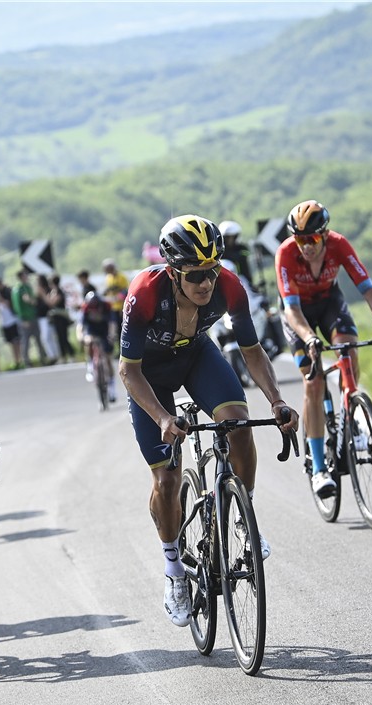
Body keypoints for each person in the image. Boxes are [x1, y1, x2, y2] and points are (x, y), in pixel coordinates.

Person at [117, 215, 297, 627]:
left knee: (240, 427)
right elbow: (128, 371)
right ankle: (174, 570)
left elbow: (252, 351)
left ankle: (242, 516)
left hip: (196, 358)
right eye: (196, 274)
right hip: (149, 377)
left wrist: (276, 400)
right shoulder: (144, 292)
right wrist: (163, 417)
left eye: (212, 270)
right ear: (172, 271)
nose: (206, 283)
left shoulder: (229, 285)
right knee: (166, 480)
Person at [275, 199, 372, 498]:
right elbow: (291, 309)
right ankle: (319, 468)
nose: (306, 246)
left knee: (348, 350)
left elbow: (368, 288)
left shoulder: (339, 245)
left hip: (328, 303)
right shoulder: (286, 253)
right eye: (300, 240)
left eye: (312, 239)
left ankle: (351, 414)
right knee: (314, 382)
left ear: (325, 235)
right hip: (298, 313)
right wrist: (309, 338)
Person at [79, 286, 117, 402]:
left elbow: (112, 324)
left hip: (104, 331)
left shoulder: (106, 306)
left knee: (108, 358)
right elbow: (80, 326)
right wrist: (81, 336)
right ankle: (90, 364)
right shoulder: (85, 308)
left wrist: (112, 335)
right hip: (92, 331)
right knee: (88, 342)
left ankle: (112, 387)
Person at [11, 269, 43, 367]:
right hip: (25, 318)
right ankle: (26, 361)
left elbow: (33, 301)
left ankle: (42, 358)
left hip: (32, 316)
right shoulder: (18, 289)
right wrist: (23, 319)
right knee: (26, 340)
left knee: (38, 338)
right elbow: (18, 306)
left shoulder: (27, 287)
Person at [0, 278, 23, 369]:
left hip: (12, 319)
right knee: (11, 342)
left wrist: (0, 298)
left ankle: (20, 360)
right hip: (4, 321)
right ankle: (15, 360)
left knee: (17, 341)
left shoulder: (8, 291)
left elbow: (9, 304)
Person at [47, 274, 76, 363]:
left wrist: (45, 297)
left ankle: (71, 354)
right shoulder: (54, 291)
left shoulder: (58, 291)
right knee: (59, 337)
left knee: (64, 337)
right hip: (57, 318)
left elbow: (52, 303)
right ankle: (63, 356)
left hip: (61, 318)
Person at [102, 259, 129, 353]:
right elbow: (107, 291)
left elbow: (126, 291)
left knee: (123, 329)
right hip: (113, 307)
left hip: (122, 307)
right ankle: (118, 350)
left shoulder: (121, 277)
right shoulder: (108, 278)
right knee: (115, 330)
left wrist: (119, 297)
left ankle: (124, 349)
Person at [218, 220, 255, 287]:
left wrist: (250, 283)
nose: (229, 240)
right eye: (227, 237)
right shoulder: (218, 249)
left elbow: (245, 255)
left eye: (232, 237)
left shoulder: (242, 248)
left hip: (241, 278)